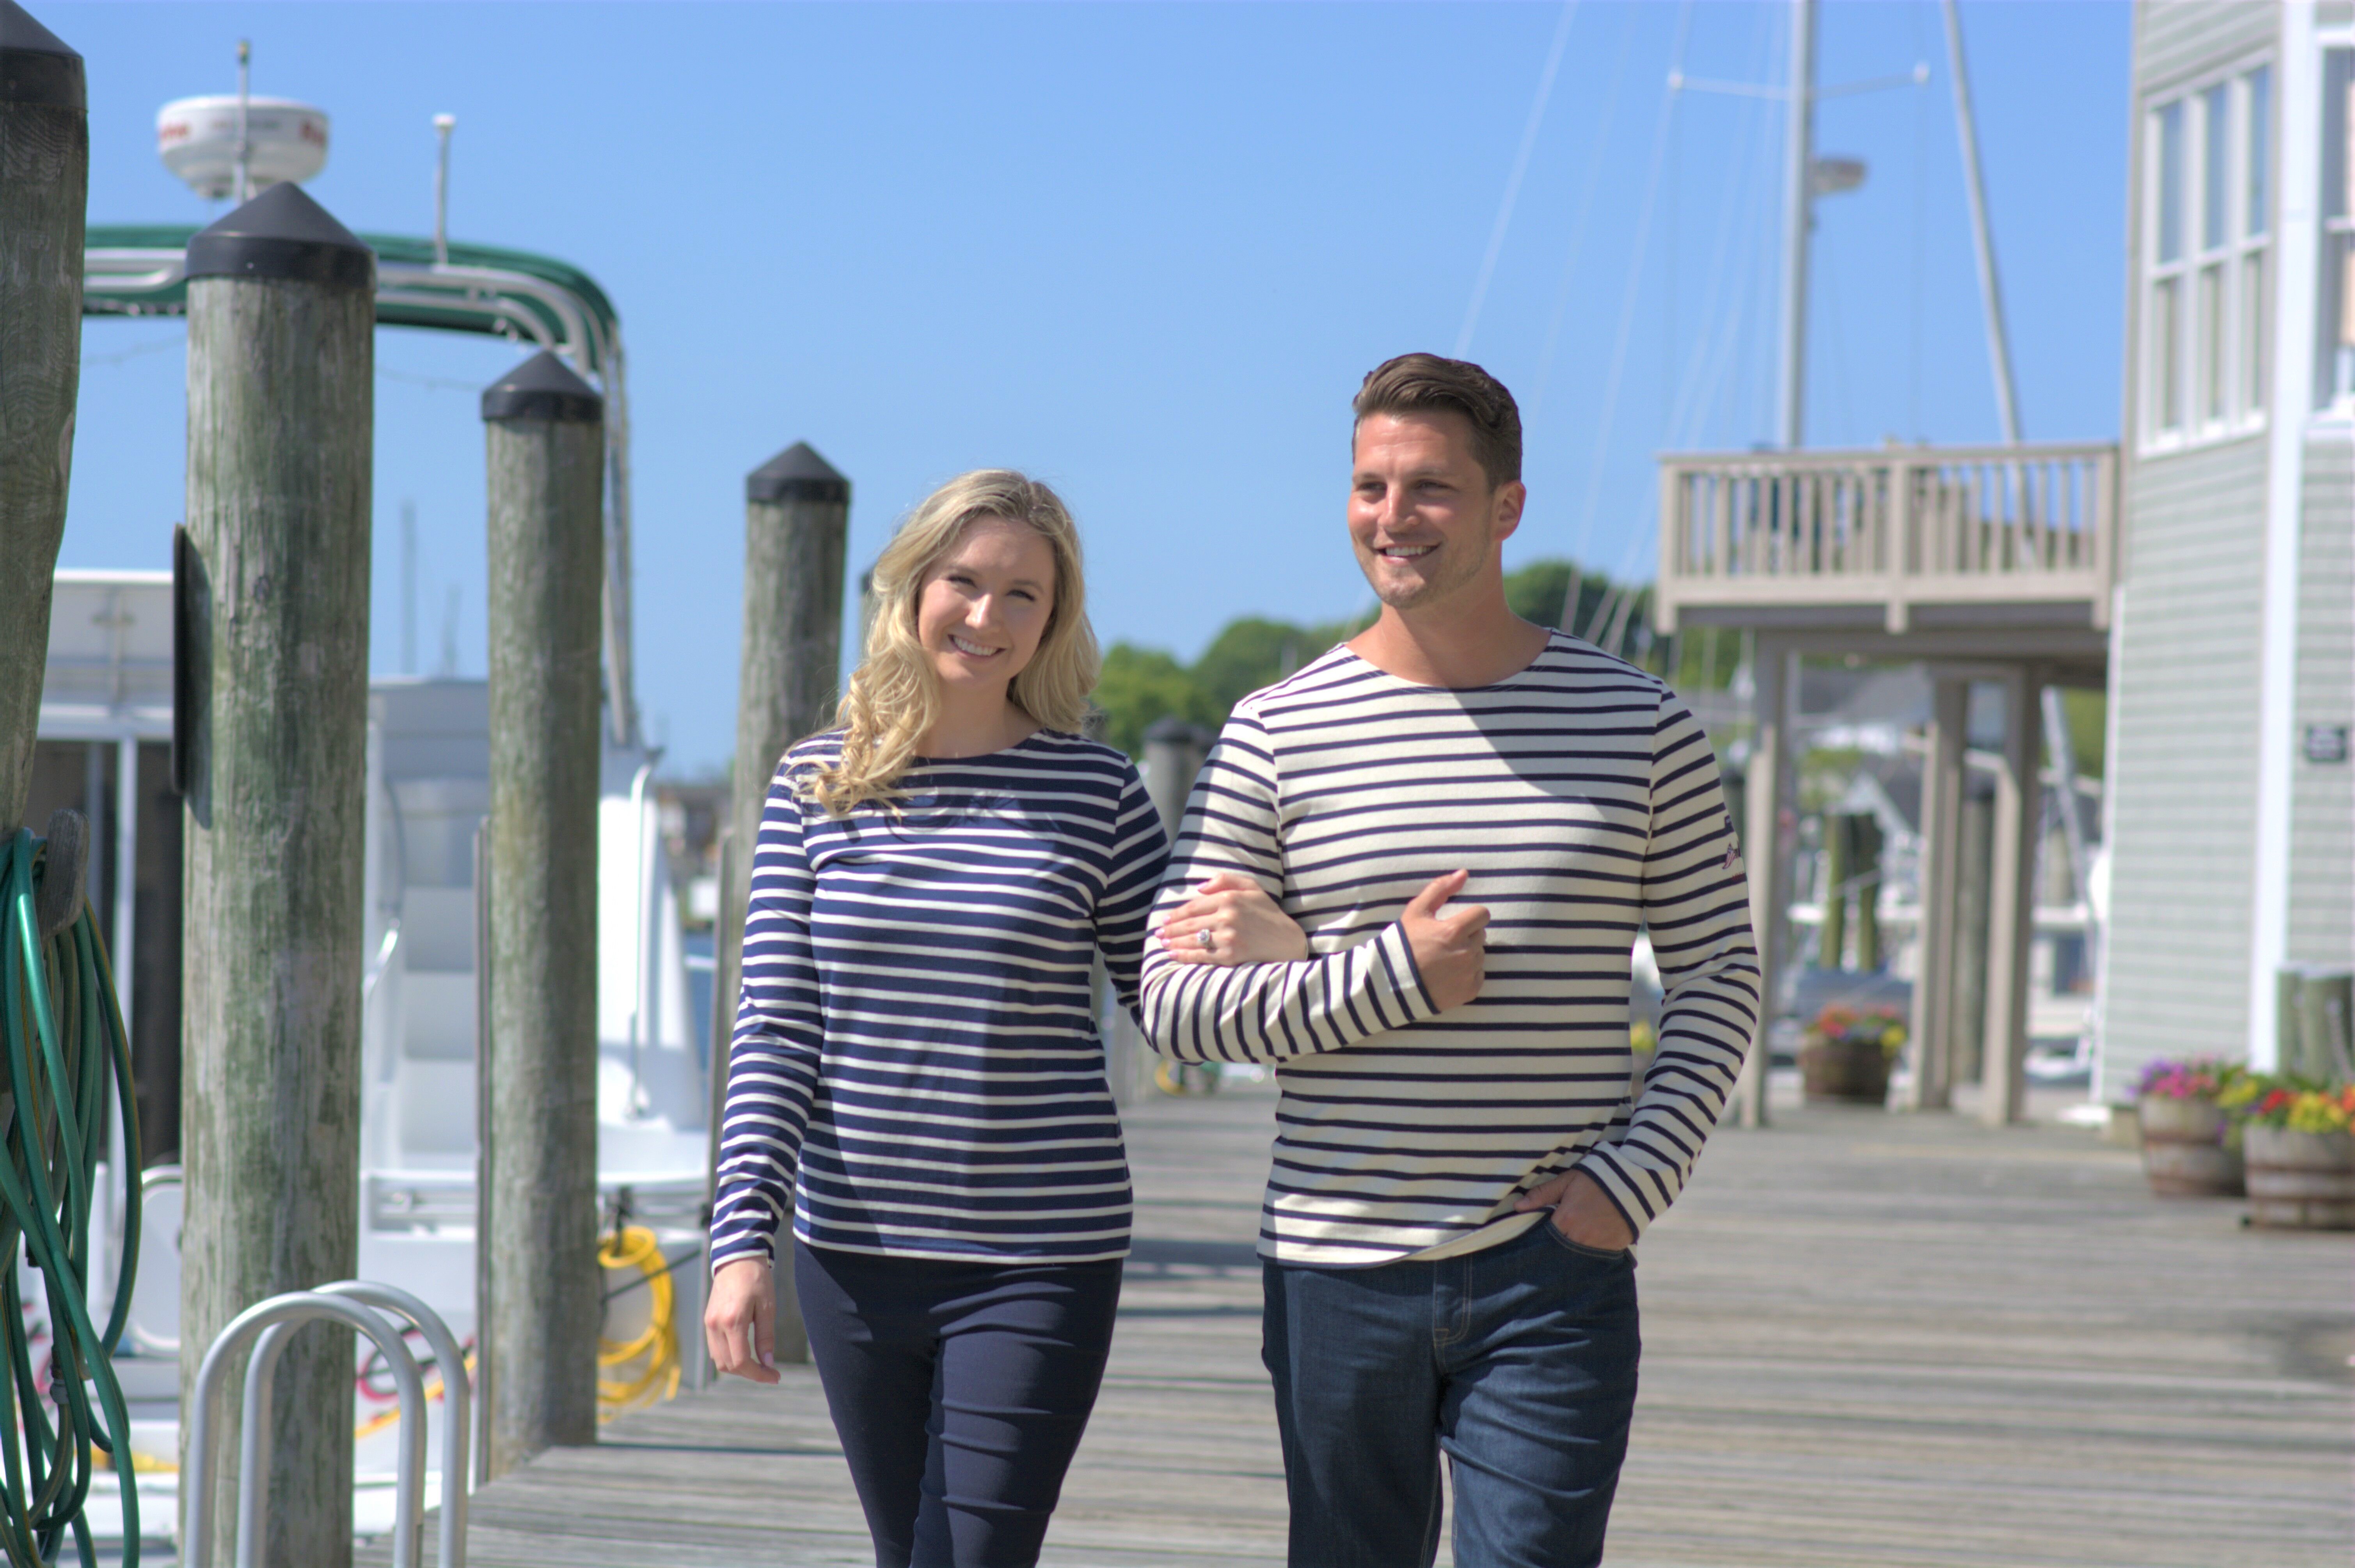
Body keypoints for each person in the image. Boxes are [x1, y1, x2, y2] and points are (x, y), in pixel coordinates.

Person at [1141, 354, 1762, 1568]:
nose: (1391, 516)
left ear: (1504, 508)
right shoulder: (1277, 729)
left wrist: (1623, 1187)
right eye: (1370, 485)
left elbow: (1718, 976)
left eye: (1428, 487)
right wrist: (1386, 973)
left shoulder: (1641, 726)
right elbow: (1174, 1008)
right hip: (1329, 1266)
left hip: (1550, 1267)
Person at [702, 469, 1301, 1568]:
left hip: (1039, 1254)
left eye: (1022, 594)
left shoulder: (1097, 790)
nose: (986, 616)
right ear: (910, 585)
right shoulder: (815, 784)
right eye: (964, 582)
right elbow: (775, 1030)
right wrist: (741, 1237)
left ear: (1054, 619)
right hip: (854, 1255)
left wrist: (1284, 949)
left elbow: (1167, 1009)